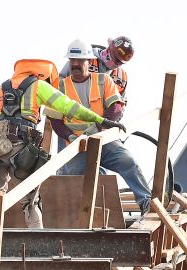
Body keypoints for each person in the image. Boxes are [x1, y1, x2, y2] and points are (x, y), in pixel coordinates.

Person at [0, 59, 126, 228]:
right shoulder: (38, 85)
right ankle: (36, 241)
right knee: (31, 200)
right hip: (21, 149)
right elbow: (69, 107)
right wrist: (100, 119)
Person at [51, 39, 151, 216]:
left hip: (103, 140)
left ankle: (146, 202)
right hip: (77, 145)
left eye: (80, 60)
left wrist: (100, 128)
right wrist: (71, 137)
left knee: (128, 162)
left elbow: (116, 107)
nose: (75, 64)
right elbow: (56, 121)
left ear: (89, 62)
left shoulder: (104, 80)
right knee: (75, 174)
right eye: (72, 60)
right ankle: (88, 216)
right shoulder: (60, 87)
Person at [55, 36, 134, 154]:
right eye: (113, 57)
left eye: (118, 62)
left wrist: (105, 125)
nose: (114, 63)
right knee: (69, 165)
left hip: (103, 127)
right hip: (73, 124)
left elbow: (120, 105)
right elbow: (60, 87)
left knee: (101, 163)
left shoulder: (121, 78)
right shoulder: (85, 59)